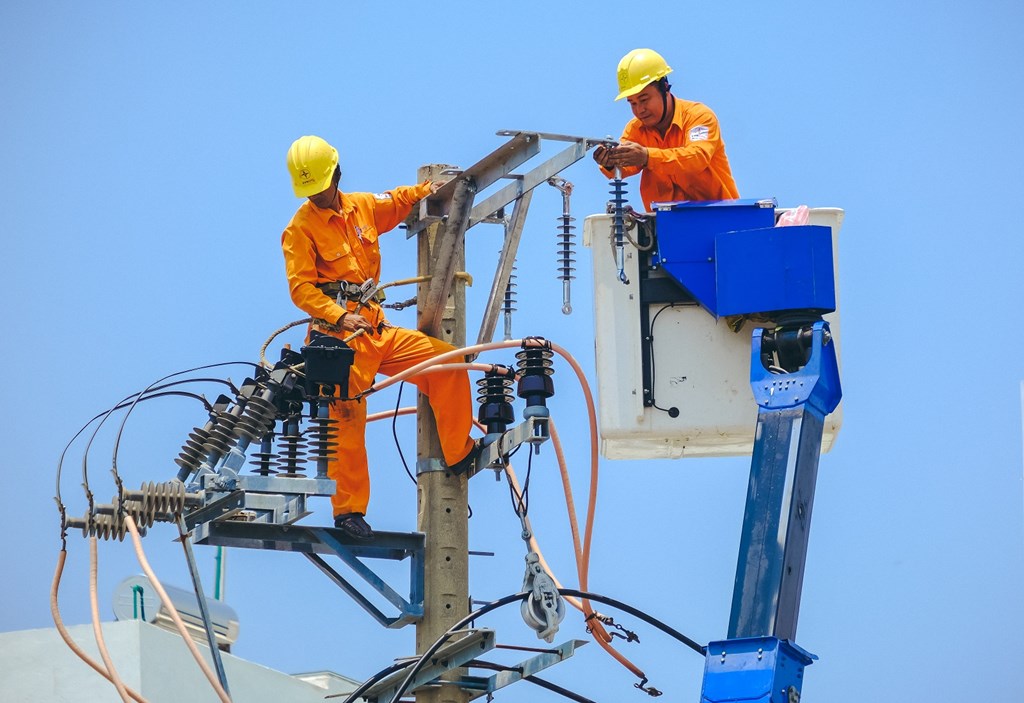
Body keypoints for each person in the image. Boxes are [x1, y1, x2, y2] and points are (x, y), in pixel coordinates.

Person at [281, 135, 478, 540]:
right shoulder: (300, 228)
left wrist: (430, 191)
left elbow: (398, 201)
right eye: (310, 190)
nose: (316, 196)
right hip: (338, 339)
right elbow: (301, 289)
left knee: (447, 362)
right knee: (346, 419)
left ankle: (459, 453)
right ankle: (349, 511)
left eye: (320, 186)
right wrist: (340, 314)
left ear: (335, 175)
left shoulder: (362, 208)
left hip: (376, 330)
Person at [594, 48, 739, 211]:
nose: (640, 110)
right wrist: (610, 162)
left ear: (665, 88)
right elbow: (626, 167)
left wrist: (647, 156)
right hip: (666, 226)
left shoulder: (698, 116)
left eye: (644, 99)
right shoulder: (636, 129)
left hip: (719, 217)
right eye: (632, 103)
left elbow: (696, 158)